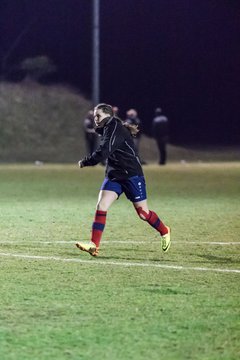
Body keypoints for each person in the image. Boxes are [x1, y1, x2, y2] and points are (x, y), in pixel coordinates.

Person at [76, 103, 171, 257]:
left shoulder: (114, 127)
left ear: (108, 115)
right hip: (114, 175)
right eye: (94, 115)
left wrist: (86, 161)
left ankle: (165, 230)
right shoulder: (107, 127)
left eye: (98, 115)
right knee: (102, 205)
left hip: (131, 174)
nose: (95, 118)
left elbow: (104, 151)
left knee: (143, 213)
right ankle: (94, 245)